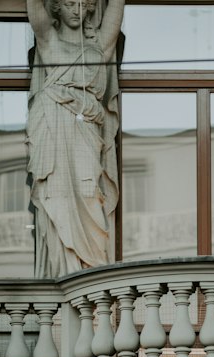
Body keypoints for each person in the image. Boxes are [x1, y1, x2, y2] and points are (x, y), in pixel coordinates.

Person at [25, 0, 125, 277]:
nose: (76, 10)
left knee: (89, 191)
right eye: (69, 4)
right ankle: (65, 272)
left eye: (84, 4)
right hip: (52, 126)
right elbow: (36, 15)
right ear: (56, 7)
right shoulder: (50, 43)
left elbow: (115, 17)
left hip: (86, 130)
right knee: (57, 194)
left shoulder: (99, 47)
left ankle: (91, 270)